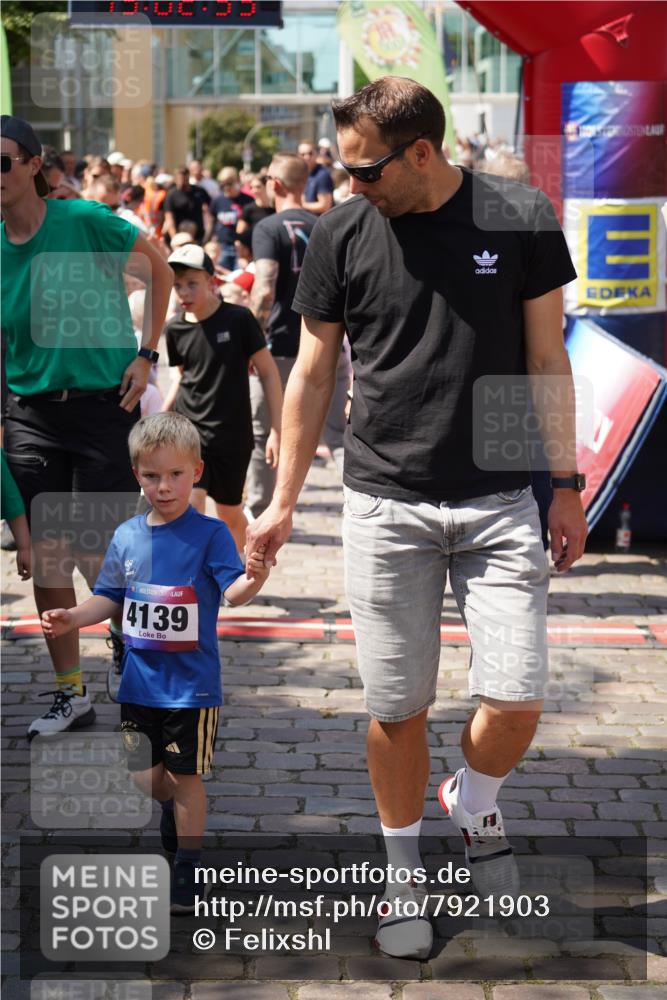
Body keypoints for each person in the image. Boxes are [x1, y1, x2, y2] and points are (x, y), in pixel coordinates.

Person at [247, 77, 588, 959]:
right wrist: (282, 501)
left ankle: (472, 797)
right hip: (382, 500)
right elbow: (317, 371)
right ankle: (403, 876)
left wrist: (565, 484)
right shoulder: (339, 230)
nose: (350, 183)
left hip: (501, 497)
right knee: (396, 707)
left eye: (364, 170)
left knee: (514, 698)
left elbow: (547, 357)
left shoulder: (518, 213)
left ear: (423, 153)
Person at [41, 412, 272, 913]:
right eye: (152, 476)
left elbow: (233, 592)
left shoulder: (209, 534)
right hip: (137, 685)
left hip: (191, 689)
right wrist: (72, 618)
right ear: (136, 476)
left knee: (187, 776)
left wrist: (255, 576)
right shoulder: (126, 536)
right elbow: (110, 597)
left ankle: (188, 866)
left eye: (175, 475)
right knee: (143, 776)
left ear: (196, 472)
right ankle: (170, 807)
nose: (163, 486)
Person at [1, 114, 174, 739]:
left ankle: (130, 651)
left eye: (2, 162)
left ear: (33, 167)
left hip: (105, 405)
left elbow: (159, 269)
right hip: (31, 414)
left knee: (98, 550)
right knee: (47, 556)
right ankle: (69, 694)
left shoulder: (83, 223)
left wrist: (147, 352)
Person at [162, 244, 282, 552]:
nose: (183, 292)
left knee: (229, 513)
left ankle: (238, 565)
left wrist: (278, 430)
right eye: (177, 286)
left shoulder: (239, 319)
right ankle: (196, 578)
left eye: (192, 283)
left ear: (211, 281)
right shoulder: (174, 329)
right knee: (192, 505)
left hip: (232, 434)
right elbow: (181, 376)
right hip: (189, 433)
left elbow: (268, 372)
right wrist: (160, 416)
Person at [246, 153, 347, 519]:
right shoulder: (328, 224)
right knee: (337, 437)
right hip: (327, 344)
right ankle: (359, 508)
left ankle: (259, 516)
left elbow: (265, 289)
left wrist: (252, 341)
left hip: (278, 347)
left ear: (275, 183)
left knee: (264, 435)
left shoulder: (268, 228)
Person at [210, 167, 253, 271]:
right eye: (222, 184)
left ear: (237, 181)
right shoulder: (217, 201)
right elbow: (213, 223)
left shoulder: (248, 200)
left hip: (242, 248)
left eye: (229, 183)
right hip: (222, 246)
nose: (226, 187)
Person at [163, 167, 211, 245]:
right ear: (175, 179)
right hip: (180, 235)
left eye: (185, 179)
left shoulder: (199, 192)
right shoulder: (171, 195)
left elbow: (210, 211)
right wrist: (175, 238)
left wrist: (207, 234)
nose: (182, 182)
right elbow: (169, 218)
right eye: (180, 179)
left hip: (198, 236)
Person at [298, 140, 334, 215]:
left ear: (316, 154)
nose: (307, 157)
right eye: (302, 154)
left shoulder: (322, 175)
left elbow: (325, 206)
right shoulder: (302, 174)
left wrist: (300, 204)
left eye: (310, 153)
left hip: (319, 222)